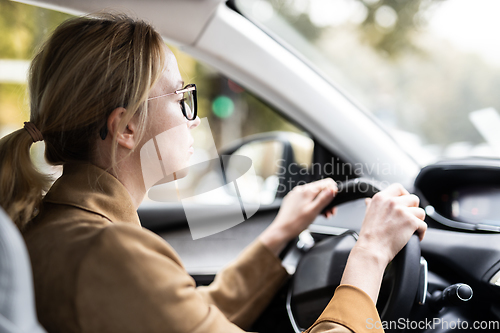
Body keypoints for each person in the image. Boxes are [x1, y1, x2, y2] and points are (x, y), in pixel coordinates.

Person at [0, 14, 426, 333]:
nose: (192, 120)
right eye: (182, 97)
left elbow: (187, 315)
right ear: (126, 126)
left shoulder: (50, 225)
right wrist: (370, 254)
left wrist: (278, 235)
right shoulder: (110, 252)